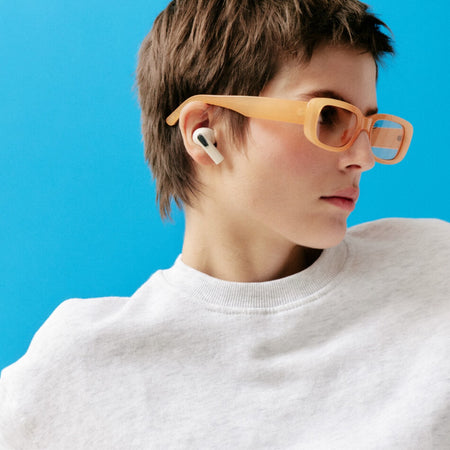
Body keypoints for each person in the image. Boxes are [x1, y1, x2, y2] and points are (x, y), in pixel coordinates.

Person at [1, 0, 449, 448]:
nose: (364, 159)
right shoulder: (78, 370)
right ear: (204, 131)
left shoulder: (434, 269)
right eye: (328, 116)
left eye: (369, 125)